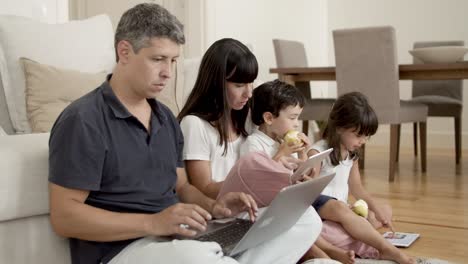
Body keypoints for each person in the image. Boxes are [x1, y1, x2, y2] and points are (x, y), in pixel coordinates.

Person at [48, 4, 258, 264]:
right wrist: (154, 223)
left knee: (294, 226)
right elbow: (64, 217)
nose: (168, 72)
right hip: (120, 251)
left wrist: (214, 207)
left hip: (175, 241)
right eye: (158, 59)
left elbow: (181, 186)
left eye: (173, 60)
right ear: (124, 51)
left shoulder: (165, 118)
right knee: (200, 256)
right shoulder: (84, 119)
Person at [178, 38, 322, 264]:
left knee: (309, 219)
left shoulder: (245, 119)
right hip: (218, 216)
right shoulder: (194, 125)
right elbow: (203, 188)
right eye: (239, 85)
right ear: (216, 83)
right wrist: (254, 180)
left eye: (251, 83)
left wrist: (301, 160)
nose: (248, 93)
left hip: (250, 212)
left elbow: (274, 140)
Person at [308, 91, 414, 264]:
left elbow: (357, 188)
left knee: (384, 210)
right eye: (359, 135)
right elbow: (309, 193)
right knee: (340, 212)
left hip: (342, 213)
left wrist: (378, 211)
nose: (363, 141)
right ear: (340, 127)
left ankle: (353, 232)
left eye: (366, 136)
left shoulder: (351, 154)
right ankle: (386, 248)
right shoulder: (318, 152)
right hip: (323, 213)